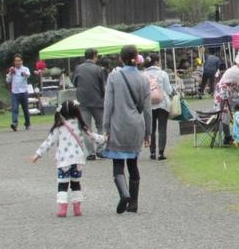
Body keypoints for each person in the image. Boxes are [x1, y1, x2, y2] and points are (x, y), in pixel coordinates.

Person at [31, 101, 103, 217]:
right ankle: (77, 208)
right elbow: (92, 136)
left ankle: (63, 208)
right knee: (76, 183)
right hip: (78, 160)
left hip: (64, 161)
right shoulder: (80, 125)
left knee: (62, 185)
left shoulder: (58, 127)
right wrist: (104, 138)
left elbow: (48, 142)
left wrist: (37, 154)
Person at [103, 44, 151, 214]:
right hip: (137, 126)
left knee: (118, 164)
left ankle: (124, 194)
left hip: (118, 125)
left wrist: (106, 127)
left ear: (120, 58)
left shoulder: (114, 77)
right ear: (137, 58)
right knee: (133, 164)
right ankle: (134, 203)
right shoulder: (144, 79)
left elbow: (108, 105)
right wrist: (148, 132)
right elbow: (147, 109)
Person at [215, 47, 239, 145]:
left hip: (223, 94)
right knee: (226, 116)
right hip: (223, 95)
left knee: (226, 116)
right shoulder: (236, 72)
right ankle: (229, 137)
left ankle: (227, 137)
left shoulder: (233, 70)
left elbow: (236, 86)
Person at [73, 48, 107, 159]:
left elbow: (75, 83)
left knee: (86, 128)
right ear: (94, 56)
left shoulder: (78, 68)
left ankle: (91, 153)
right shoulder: (99, 69)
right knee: (101, 125)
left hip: (82, 101)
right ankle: (100, 150)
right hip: (97, 101)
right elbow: (103, 87)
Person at [142, 56, 173, 160]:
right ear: (156, 62)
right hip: (162, 103)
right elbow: (168, 89)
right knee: (162, 128)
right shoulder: (163, 73)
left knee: (151, 129)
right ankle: (161, 152)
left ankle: (152, 152)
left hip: (149, 104)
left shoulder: (143, 75)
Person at [6, 54, 32, 131]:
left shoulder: (25, 69)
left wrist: (25, 74)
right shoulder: (12, 70)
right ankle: (14, 124)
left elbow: (28, 75)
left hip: (24, 92)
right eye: (16, 61)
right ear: (14, 62)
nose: (17, 62)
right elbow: (8, 81)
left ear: (22, 61)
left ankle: (27, 124)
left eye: (19, 61)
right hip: (15, 92)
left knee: (25, 109)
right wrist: (10, 73)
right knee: (14, 109)